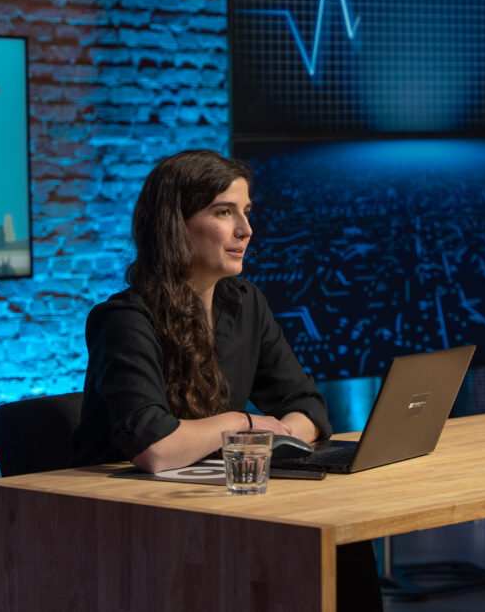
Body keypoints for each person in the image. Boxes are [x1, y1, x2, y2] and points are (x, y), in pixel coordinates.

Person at [72, 149, 382, 610]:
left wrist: (274, 435)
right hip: (127, 521)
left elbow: (309, 408)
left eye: (246, 211)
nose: (245, 229)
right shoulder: (124, 319)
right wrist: (245, 425)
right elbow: (155, 448)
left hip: (215, 499)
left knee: (342, 531)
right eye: (224, 212)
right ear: (174, 225)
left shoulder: (244, 302)